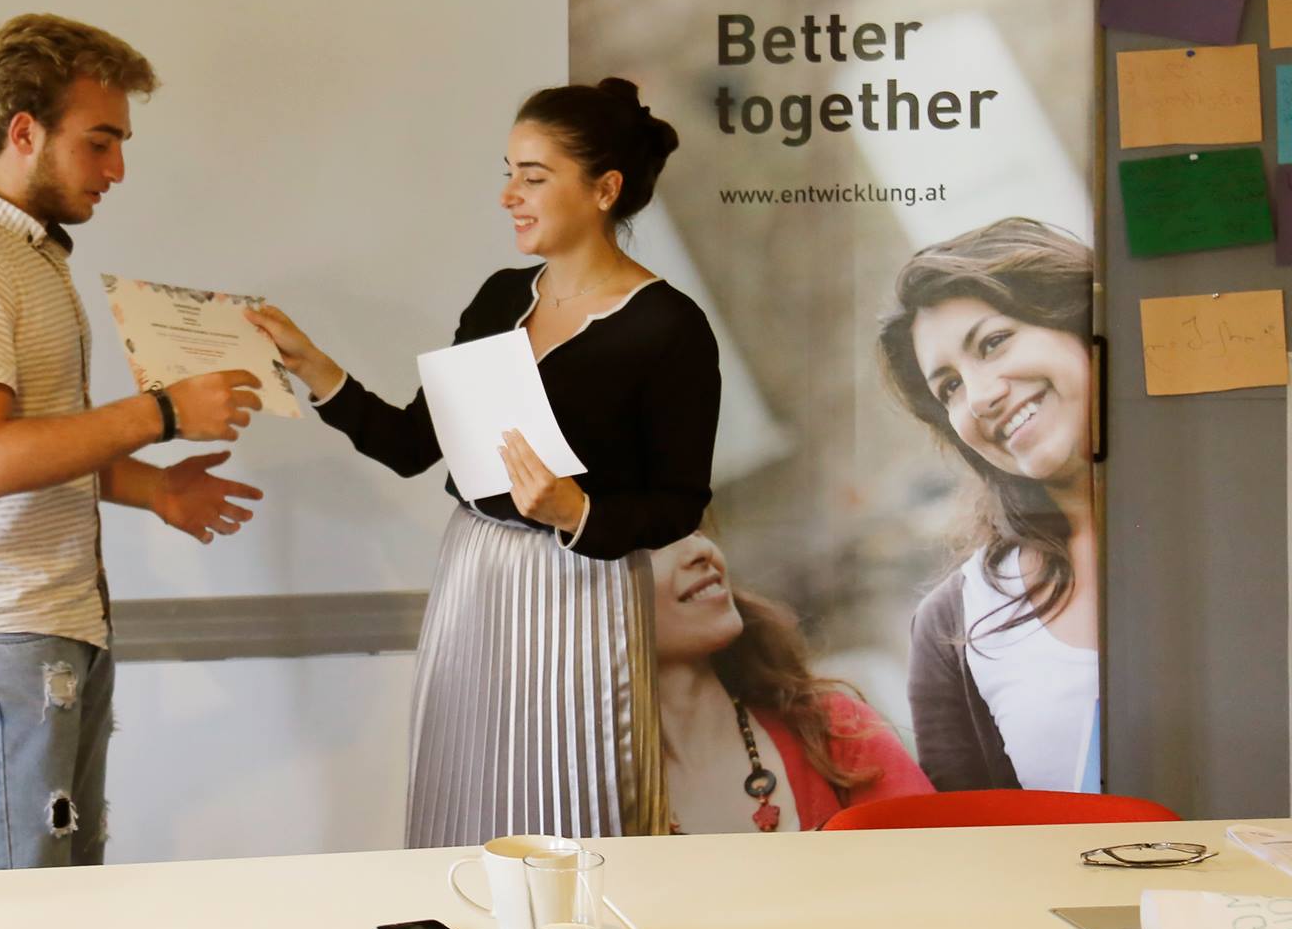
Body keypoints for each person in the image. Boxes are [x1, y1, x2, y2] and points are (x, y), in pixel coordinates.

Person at [247, 78, 721, 844]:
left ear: (605, 189)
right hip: (474, 575)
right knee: (463, 794)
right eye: (509, 173)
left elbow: (680, 500)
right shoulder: (501, 298)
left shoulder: (670, 326)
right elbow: (412, 444)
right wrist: (314, 365)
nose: (509, 196)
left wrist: (579, 512)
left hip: (584, 590)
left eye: (533, 177)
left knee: (573, 807)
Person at [0, 13, 266, 871]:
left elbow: (40, 443)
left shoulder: (27, 256)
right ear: (25, 131)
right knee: (18, 915)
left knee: (63, 897)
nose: (118, 169)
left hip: (45, 625)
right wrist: (163, 412)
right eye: (100, 142)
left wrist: (155, 487)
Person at [877, 217, 1098, 793]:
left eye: (994, 342)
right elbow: (975, 836)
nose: (980, 397)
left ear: (1081, 322)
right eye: (949, 387)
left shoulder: (1256, 507)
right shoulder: (957, 625)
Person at [649, 529, 932, 834]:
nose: (700, 550)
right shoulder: (611, 814)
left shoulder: (834, 733)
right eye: (652, 544)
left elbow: (932, 856)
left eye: (694, 528)